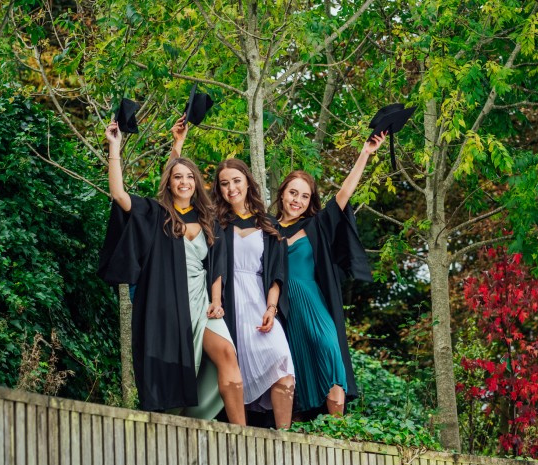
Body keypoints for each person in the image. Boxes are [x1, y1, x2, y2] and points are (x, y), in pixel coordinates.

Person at [98, 120, 246, 425]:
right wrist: (114, 147)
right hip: (167, 304)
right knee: (177, 376)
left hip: (202, 303)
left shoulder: (208, 219)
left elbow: (216, 264)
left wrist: (216, 301)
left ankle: (242, 433)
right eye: (178, 177)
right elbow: (119, 194)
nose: (184, 182)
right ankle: (170, 430)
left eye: (190, 177)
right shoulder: (157, 215)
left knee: (228, 356)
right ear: (169, 182)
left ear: (197, 183)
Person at [274, 132, 385, 416]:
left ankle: (338, 430)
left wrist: (365, 153)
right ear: (282, 193)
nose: (297, 200)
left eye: (304, 195)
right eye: (293, 193)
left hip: (313, 301)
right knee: (293, 367)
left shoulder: (315, 226)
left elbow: (344, 195)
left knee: (330, 351)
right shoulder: (267, 229)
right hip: (283, 309)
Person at [211, 158, 296, 429]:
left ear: (248, 181)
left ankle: (285, 437)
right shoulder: (216, 225)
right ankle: (241, 435)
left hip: (259, 304)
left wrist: (271, 309)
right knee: (235, 375)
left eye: (236, 180)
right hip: (230, 305)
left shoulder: (270, 226)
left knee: (283, 368)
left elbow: (276, 275)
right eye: (225, 183)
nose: (231, 188)